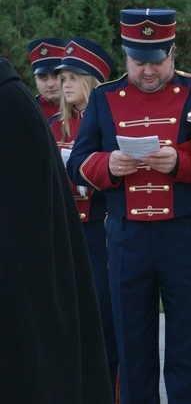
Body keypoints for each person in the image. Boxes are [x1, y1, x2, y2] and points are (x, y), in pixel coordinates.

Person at [67, 8, 191, 403]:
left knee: (189, 349)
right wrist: (108, 165)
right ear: (125, 55)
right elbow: (78, 163)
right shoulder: (103, 97)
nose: (147, 71)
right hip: (127, 237)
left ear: (173, 52)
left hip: (185, 236)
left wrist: (182, 162)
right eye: (137, 61)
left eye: (157, 61)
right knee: (132, 349)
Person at [0, 57, 112, 403]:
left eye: (68, 78)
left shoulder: (10, 106)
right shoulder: (40, 114)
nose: (58, 85)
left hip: (95, 233)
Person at [49, 37, 119, 397]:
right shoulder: (52, 125)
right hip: (66, 233)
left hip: (100, 232)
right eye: (63, 79)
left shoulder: (109, 124)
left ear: (92, 81)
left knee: (105, 323)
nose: (66, 85)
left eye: (75, 77)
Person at [28, 37, 66, 120]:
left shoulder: (83, 109)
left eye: (56, 76)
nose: (50, 84)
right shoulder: (28, 111)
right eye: (43, 78)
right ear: (36, 81)